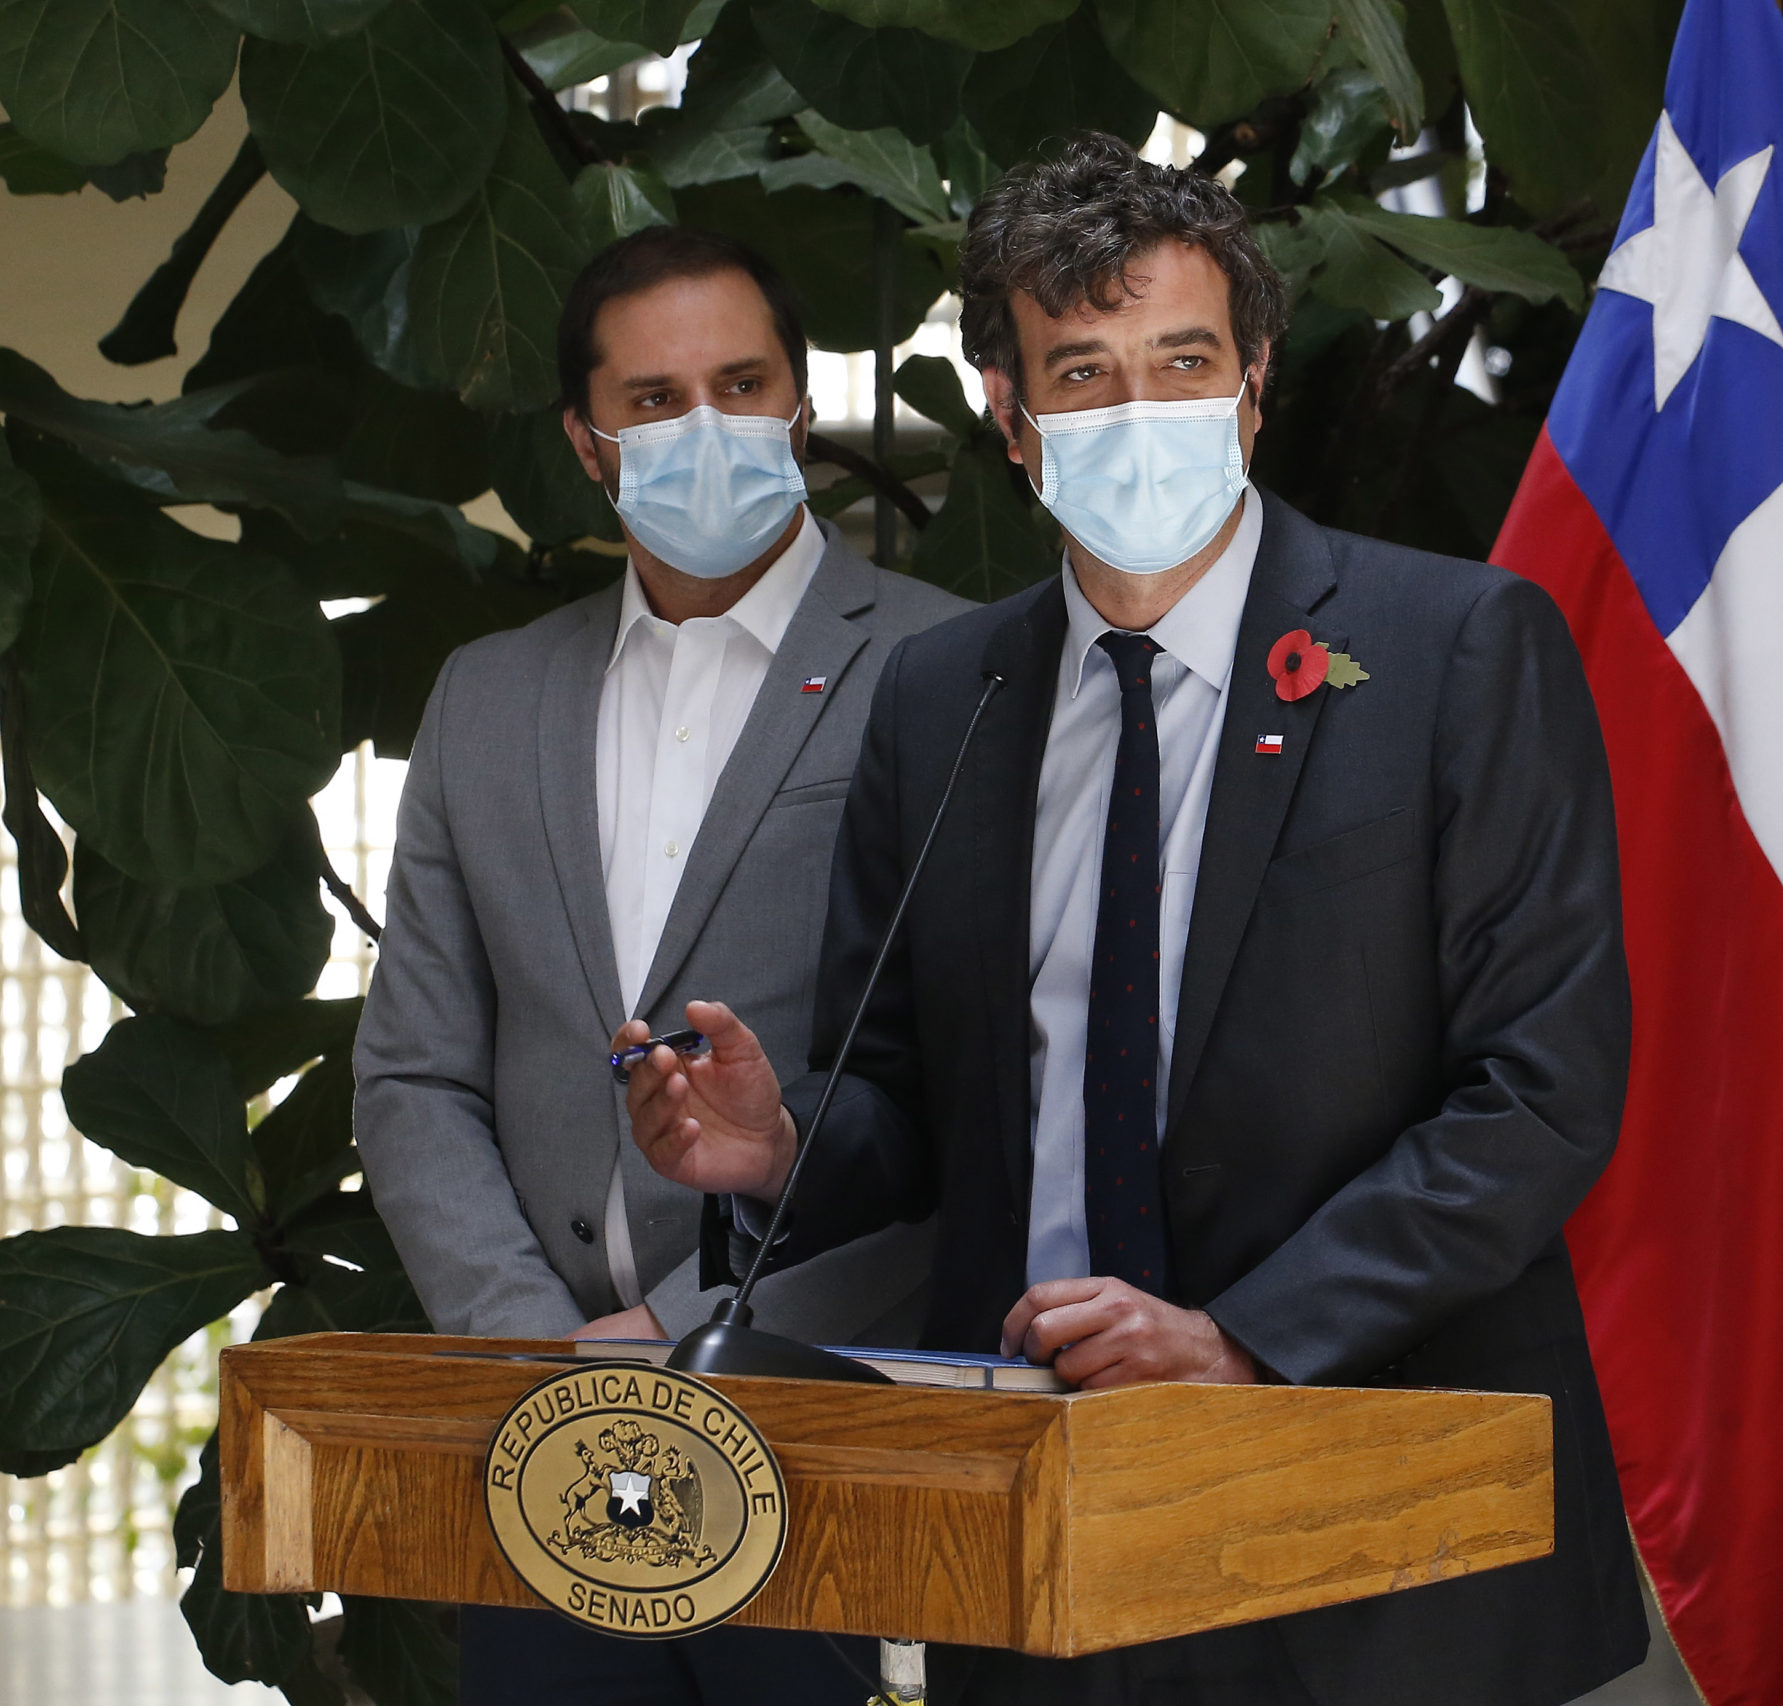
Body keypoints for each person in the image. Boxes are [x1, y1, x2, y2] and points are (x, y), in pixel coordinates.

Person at [619, 134, 1648, 1705]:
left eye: (1183, 360)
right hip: (1036, 1520)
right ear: (1011, 417)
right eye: (1086, 374)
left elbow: (1542, 1089)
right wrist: (775, 1145)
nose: (1143, 409)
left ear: (1253, 384)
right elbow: (914, 1101)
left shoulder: (1457, 651)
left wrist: (1242, 1336)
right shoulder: (941, 698)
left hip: (1376, 1535)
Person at [352, 225, 970, 1702]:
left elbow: (985, 1085)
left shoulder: (953, 670)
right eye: (653, 399)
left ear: (799, 404)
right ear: (588, 443)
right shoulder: (488, 697)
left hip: (840, 1427)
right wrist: (548, 1357)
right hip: (550, 1458)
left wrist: (702, 1342)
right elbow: (415, 1075)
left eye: (741, 384)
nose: (705, 426)